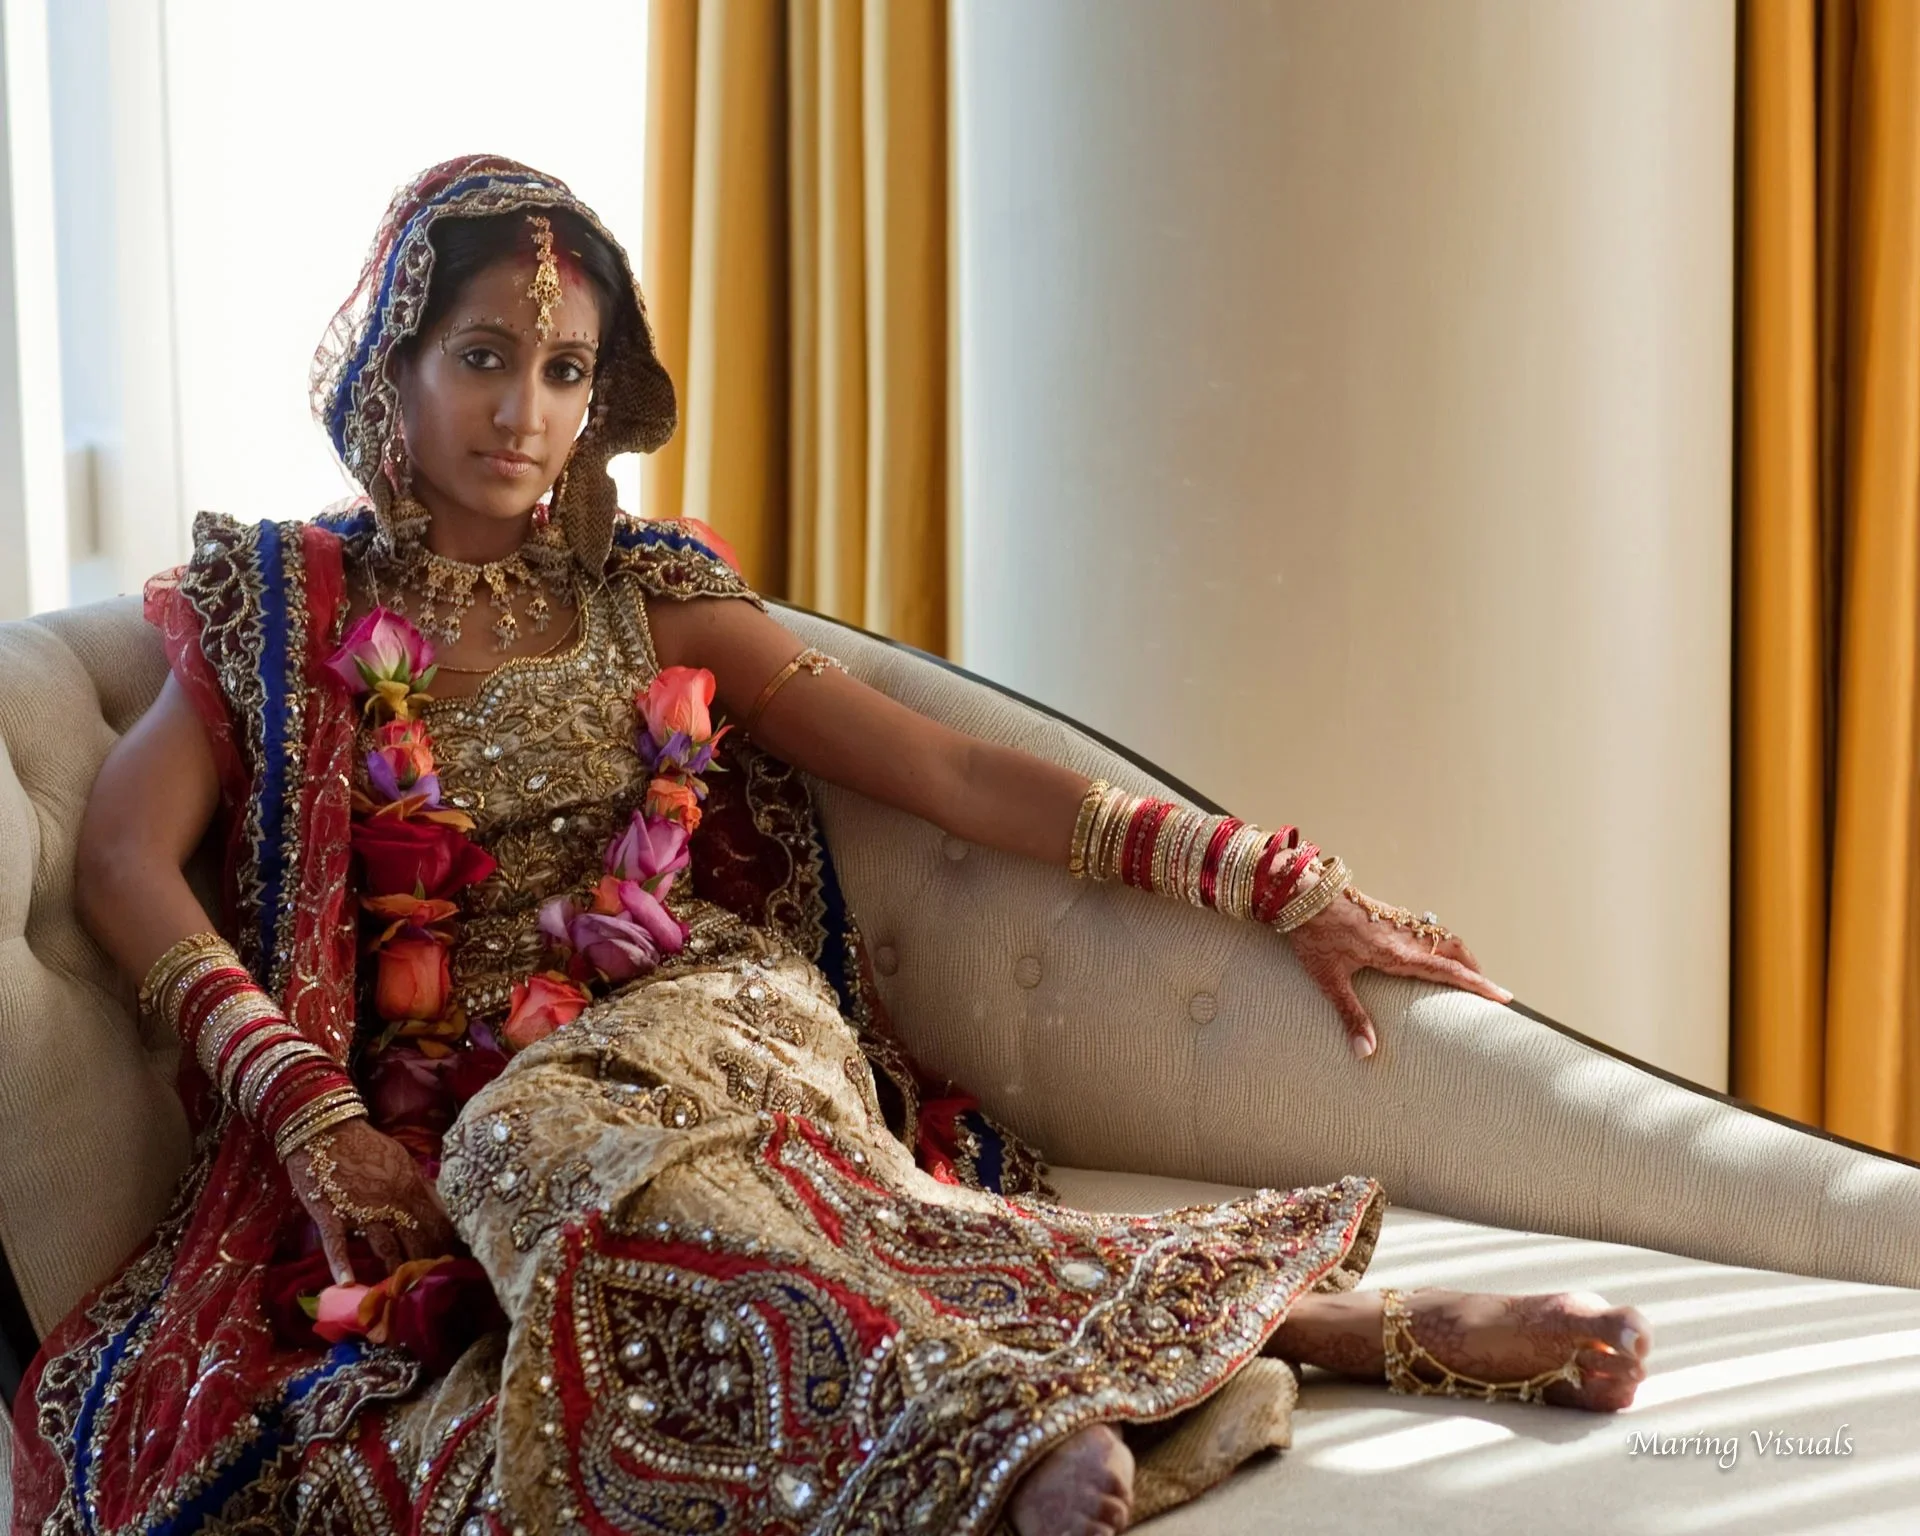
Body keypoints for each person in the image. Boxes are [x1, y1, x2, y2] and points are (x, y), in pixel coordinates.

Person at [10, 156, 1649, 1536]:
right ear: (397, 364)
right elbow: (123, 866)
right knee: (454, 1437)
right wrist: (310, 1114)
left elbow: (935, 768)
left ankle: (988, 1426)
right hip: (452, 1106)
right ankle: (1332, 1332)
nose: (526, 411)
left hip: (699, 1021)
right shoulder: (291, 610)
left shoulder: (639, 590)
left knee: (527, 1150)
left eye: (568, 370)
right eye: (486, 356)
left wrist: (1264, 876)